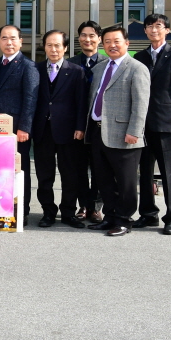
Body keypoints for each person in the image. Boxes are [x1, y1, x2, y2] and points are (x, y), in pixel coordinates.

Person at [85, 25, 150, 237]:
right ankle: (110, 217)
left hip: (125, 134)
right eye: (107, 42)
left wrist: (135, 131)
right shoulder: (100, 68)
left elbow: (141, 103)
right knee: (103, 180)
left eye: (116, 41)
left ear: (127, 43)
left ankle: (124, 220)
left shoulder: (137, 68)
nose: (112, 45)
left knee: (125, 182)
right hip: (98, 132)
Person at [135, 13, 171, 235]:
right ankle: (148, 214)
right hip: (141, 124)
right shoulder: (139, 56)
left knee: (169, 173)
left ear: (167, 30)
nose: (153, 29)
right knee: (145, 172)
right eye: (149, 26)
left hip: (166, 123)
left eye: (158, 26)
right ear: (145, 31)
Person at [31, 30, 87, 228]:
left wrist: (80, 127)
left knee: (69, 174)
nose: (53, 49)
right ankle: (48, 211)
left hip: (68, 130)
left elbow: (81, 102)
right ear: (44, 47)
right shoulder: (35, 69)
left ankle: (68, 212)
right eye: (49, 45)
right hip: (42, 129)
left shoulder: (76, 71)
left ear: (65, 48)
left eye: (57, 45)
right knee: (44, 175)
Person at [0, 25, 38, 221]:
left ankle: (22, 210)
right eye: (4, 38)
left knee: (19, 169)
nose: (9, 42)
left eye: (13, 38)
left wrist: (24, 127)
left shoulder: (28, 66)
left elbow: (30, 98)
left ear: (20, 41)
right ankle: (0, 206)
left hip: (17, 129)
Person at [72, 21, 104, 223]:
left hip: (99, 125)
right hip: (77, 124)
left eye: (92, 35)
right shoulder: (71, 63)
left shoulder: (108, 63)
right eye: (83, 35)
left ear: (99, 39)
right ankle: (83, 205)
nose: (87, 39)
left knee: (100, 167)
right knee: (79, 167)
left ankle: (96, 207)